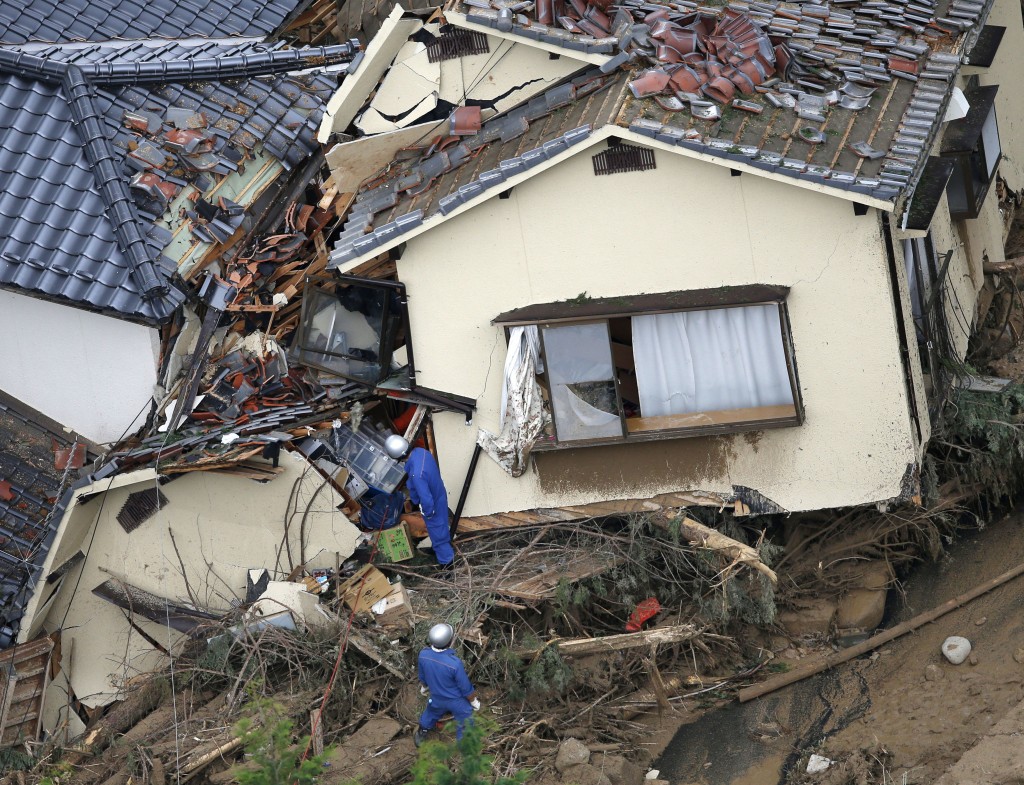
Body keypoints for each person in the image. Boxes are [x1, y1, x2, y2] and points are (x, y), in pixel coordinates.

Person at [385, 435, 455, 568]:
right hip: (439, 493)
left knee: (437, 531)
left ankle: (447, 563)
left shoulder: (417, 475)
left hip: (433, 503)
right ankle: (438, 548)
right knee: (439, 527)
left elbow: (426, 499)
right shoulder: (422, 452)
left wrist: (428, 513)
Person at [415, 622, 480, 746]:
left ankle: (422, 732)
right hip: (455, 700)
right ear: (449, 642)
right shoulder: (454, 663)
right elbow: (465, 688)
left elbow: (422, 676)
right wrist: (473, 702)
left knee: (431, 713)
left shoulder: (423, 655)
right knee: (466, 716)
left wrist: (424, 687)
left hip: (436, 697)